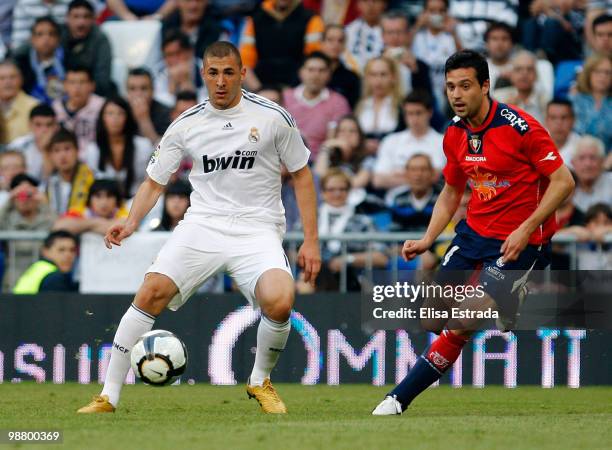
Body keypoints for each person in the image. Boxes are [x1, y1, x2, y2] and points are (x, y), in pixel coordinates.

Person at [77, 41, 320, 414]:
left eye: (228, 72)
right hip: (203, 225)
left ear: (241, 73)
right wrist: (131, 221)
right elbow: (155, 181)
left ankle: (259, 381)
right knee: (151, 291)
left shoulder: (274, 117)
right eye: (213, 72)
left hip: (257, 228)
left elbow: (302, 176)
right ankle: (108, 395)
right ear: (203, 74)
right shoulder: (186, 124)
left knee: (281, 299)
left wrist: (311, 241)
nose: (220, 81)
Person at [371, 50, 575, 415]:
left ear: (485, 85)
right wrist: (428, 238)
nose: (456, 94)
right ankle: (511, 298)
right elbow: (451, 191)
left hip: (522, 240)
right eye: (450, 87)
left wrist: (527, 228)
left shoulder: (520, 128)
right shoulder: (454, 132)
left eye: (465, 86)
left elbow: (563, 182)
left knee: (464, 320)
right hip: (473, 234)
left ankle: (397, 399)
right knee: (431, 317)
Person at [316, 169, 387, 291]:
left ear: (349, 192)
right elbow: (291, 251)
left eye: (342, 189)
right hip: (315, 280)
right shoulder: (310, 219)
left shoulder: (363, 222)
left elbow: (381, 257)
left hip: (352, 281)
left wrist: (348, 259)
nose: (337, 194)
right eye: (331, 189)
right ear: (322, 192)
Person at [239, 0, 324, 90]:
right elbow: (245, 63)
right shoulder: (255, 19)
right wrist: (260, 91)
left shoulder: (311, 18)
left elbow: (314, 61)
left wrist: (294, 94)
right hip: (262, 86)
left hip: (298, 88)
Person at [283, 51, 351, 159]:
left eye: (322, 70)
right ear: (301, 72)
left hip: (322, 160)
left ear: (329, 74)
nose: (316, 75)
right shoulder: (285, 98)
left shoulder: (339, 102)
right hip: (285, 159)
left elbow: (337, 140)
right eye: (311, 70)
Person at [373, 91, 445, 189]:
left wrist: (399, 174)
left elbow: (436, 177)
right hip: (395, 201)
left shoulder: (443, 142)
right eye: (410, 114)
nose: (414, 119)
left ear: (430, 113)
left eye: (418, 113)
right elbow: (378, 180)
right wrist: (422, 177)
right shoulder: (390, 141)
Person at [85, 97, 154, 198]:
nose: (115, 118)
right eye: (110, 113)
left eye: (120, 113)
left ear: (128, 117)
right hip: (105, 204)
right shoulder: (93, 150)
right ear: (102, 118)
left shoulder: (143, 146)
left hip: (137, 201)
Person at [0, 173, 56, 289]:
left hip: (41, 273)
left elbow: (58, 226)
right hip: (14, 273)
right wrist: (10, 198)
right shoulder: (8, 218)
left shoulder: (45, 217)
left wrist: (45, 202)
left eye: (29, 195)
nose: (24, 200)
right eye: (19, 195)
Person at [411, 0, 460, 111]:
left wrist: (454, 33)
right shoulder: (417, 36)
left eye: (441, 11)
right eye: (432, 11)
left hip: (447, 93)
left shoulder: (451, 36)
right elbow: (403, 50)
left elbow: (463, 58)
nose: (437, 14)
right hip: (421, 93)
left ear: (447, 13)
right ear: (424, 13)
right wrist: (417, 25)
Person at [61, 0, 114, 97]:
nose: (81, 22)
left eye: (86, 17)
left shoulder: (100, 39)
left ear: (93, 19)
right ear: (67, 18)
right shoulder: (57, 34)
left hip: (93, 94)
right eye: (76, 17)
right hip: (61, 91)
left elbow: (102, 78)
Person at [52, 65, 104, 156]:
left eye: (82, 82)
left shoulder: (102, 107)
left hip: (94, 159)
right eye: (72, 82)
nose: (77, 88)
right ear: (65, 85)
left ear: (92, 85)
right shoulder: (55, 108)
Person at [355, 56, 404, 151]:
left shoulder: (402, 105)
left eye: (383, 74)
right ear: (367, 78)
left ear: (393, 77)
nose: (378, 80)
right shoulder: (360, 105)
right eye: (373, 75)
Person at [13, 16, 65, 104]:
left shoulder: (69, 61)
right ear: (32, 39)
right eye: (40, 34)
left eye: (51, 34)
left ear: (58, 39)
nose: (46, 39)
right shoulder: (21, 64)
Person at [314, 114, 372, 190]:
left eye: (352, 131)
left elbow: (358, 182)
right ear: (336, 135)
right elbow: (318, 177)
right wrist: (327, 145)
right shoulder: (328, 156)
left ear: (360, 137)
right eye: (342, 131)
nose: (347, 135)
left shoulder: (367, 159)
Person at [45, 127, 94, 216]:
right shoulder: (48, 184)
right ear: (51, 155)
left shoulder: (93, 179)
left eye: (67, 149)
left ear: (77, 151)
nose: (62, 155)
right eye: (57, 150)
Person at [385, 153, 439, 231]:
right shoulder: (398, 199)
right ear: (406, 173)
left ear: (432, 173)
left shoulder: (441, 198)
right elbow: (394, 230)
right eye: (413, 170)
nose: (418, 174)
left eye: (423, 169)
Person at [53, 178, 128, 234]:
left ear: (117, 200)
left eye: (109, 196)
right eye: (98, 196)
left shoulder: (122, 211)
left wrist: (84, 226)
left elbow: (121, 228)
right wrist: (95, 222)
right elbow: (58, 226)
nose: (104, 202)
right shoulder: (80, 210)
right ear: (89, 199)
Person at [152, 30, 206, 108]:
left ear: (190, 51)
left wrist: (188, 84)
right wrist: (172, 88)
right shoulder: (159, 71)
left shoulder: (206, 69)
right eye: (169, 55)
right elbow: (158, 101)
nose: (174, 60)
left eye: (178, 53)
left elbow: (209, 101)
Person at [13, 229, 78, 293]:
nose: (68, 255)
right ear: (45, 251)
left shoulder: (39, 268)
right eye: (61, 250)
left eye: (72, 250)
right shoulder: (54, 277)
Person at [7, 103, 59, 181]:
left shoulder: (62, 147)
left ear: (56, 126)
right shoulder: (18, 146)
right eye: (38, 125)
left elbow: (51, 179)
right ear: (30, 125)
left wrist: (45, 150)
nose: (44, 130)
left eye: (49, 125)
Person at [494, 50, 549, 123]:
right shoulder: (498, 98)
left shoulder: (546, 101)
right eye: (518, 69)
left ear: (536, 75)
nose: (524, 74)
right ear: (511, 75)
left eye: (529, 69)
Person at [570, 54, 612, 150]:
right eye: (598, 71)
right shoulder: (574, 100)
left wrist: (606, 164)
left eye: (608, 73)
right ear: (588, 74)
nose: (603, 76)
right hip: (575, 157)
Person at [126, 67, 172, 146]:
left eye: (143, 88)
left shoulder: (166, 113)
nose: (138, 94)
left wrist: (144, 119)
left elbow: (162, 150)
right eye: (132, 89)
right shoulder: (120, 110)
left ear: (152, 90)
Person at [320, 24, 361, 108]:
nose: (335, 44)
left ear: (344, 45)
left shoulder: (352, 78)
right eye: (330, 40)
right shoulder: (308, 71)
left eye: (340, 41)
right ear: (322, 43)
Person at [0, 59, 39, 145]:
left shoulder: (34, 107)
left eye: (12, 77)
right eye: (2, 78)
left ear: (21, 79)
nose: (7, 82)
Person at [571, 135, 611, 213]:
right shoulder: (567, 189)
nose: (588, 164)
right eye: (582, 158)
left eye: (593, 158)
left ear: (602, 161)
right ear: (573, 163)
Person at [343, 0, 387, 73]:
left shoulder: (394, 30)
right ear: (358, 5)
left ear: (384, 4)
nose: (370, 5)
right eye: (365, 1)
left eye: (375, 1)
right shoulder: (348, 31)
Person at [544, 98, 581, 168]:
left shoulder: (582, 147)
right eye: (553, 118)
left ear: (573, 120)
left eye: (564, 118)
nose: (559, 123)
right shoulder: (536, 143)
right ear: (546, 120)